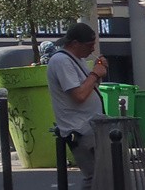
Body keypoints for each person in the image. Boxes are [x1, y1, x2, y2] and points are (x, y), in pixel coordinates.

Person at [47, 22, 108, 190]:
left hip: (89, 125)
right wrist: (95, 73)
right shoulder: (61, 61)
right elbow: (79, 95)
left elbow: (88, 88)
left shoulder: (77, 60)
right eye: (89, 45)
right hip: (79, 128)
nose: (92, 50)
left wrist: (98, 73)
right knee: (94, 175)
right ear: (74, 44)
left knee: (101, 174)